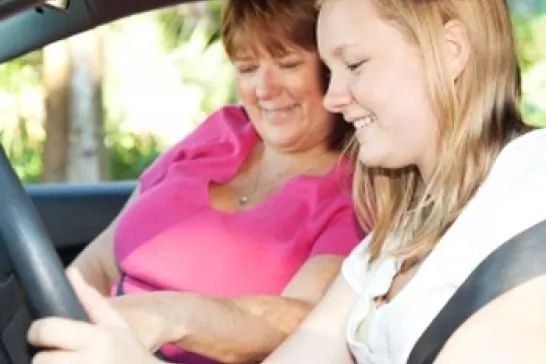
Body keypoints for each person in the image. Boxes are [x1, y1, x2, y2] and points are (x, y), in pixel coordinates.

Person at [29, 0, 546, 363]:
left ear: (451, 48)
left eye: (354, 64)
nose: (335, 96)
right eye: (330, 69)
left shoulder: (531, 189)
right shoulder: (383, 252)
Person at [27, 0, 364, 363]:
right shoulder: (221, 132)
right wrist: (63, 320)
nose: (264, 88)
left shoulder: (356, 187)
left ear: (333, 69)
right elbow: (99, 261)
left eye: (288, 64)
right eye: (247, 68)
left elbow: (306, 321)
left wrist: (166, 315)